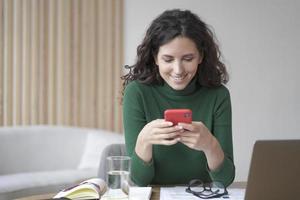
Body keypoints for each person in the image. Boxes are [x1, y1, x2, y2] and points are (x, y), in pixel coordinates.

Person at [121, 9, 235, 187]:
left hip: (202, 196)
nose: (178, 70)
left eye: (188, 58)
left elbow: (225, 180)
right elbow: (139, 180)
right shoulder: (137, 93)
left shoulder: (218, 95)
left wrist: (210, 145)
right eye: (168, 59)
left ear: (201, 57)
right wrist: (144, 141)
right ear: (155, 58)